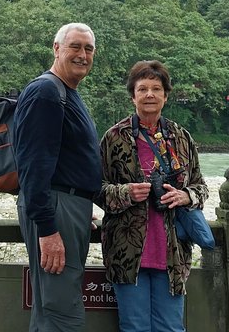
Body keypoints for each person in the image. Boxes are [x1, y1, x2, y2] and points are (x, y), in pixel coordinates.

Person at [96, 60, 209, 332]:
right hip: (127, 250)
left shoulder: (180, 137)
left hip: (172, 250)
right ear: (132, 95)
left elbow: (201, 187)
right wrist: (126, 192)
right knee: (134, 327)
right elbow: (95, 188)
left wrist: (185, 196)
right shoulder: (114, 137)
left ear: (165, 96)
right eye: (142, 88)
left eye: (156, 89)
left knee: (171, 328)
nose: (149, 94)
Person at [13, 23, 102, 331]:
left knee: (53, 310)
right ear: (56, 48)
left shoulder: (66, 92)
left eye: (88, 49)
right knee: (62, 312)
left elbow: (67, 161)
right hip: (55, 209)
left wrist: (79, 206)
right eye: (75, 46)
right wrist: (49, 228)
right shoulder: (47, 92)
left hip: (68, 206)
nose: (82, 55)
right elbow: (33, 166)